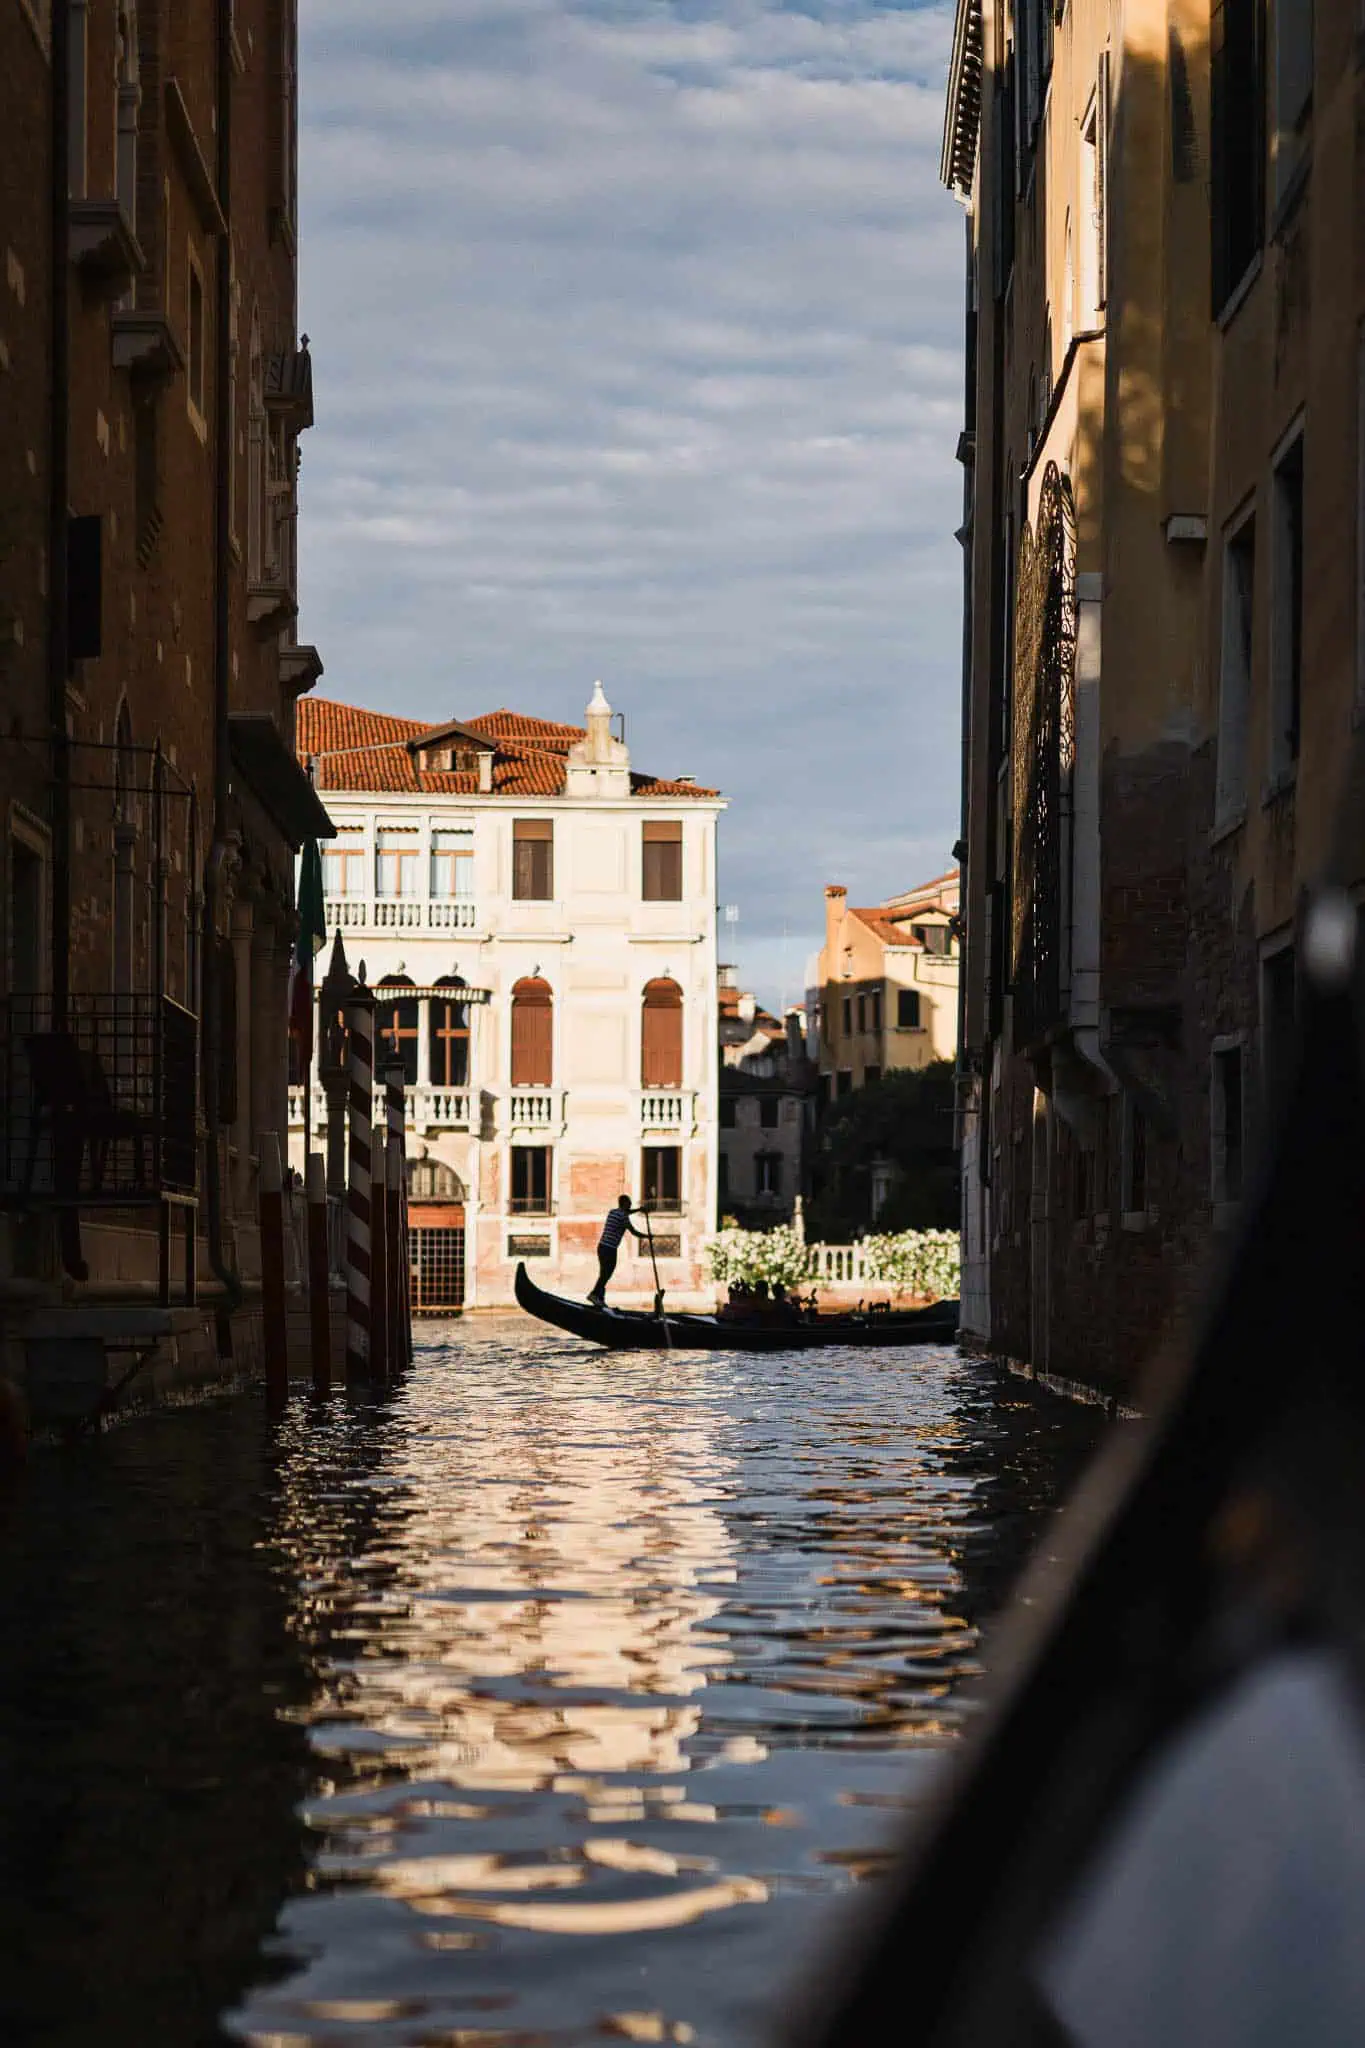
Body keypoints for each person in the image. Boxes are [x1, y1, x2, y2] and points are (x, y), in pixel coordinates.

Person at [589, 1194, 645, 1306]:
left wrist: (639, 1210)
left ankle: (600, 1298)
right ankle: (594, 1294)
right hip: (610, 1249)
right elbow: (633, 1232)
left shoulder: (613, 1212)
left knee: (604, 1273)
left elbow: (626, 1212)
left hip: (602, 1246)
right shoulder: (623, 1217)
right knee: (607, 1273)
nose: (630, 1205)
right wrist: (648, 1236)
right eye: (629, 1203)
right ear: (624, 1203)